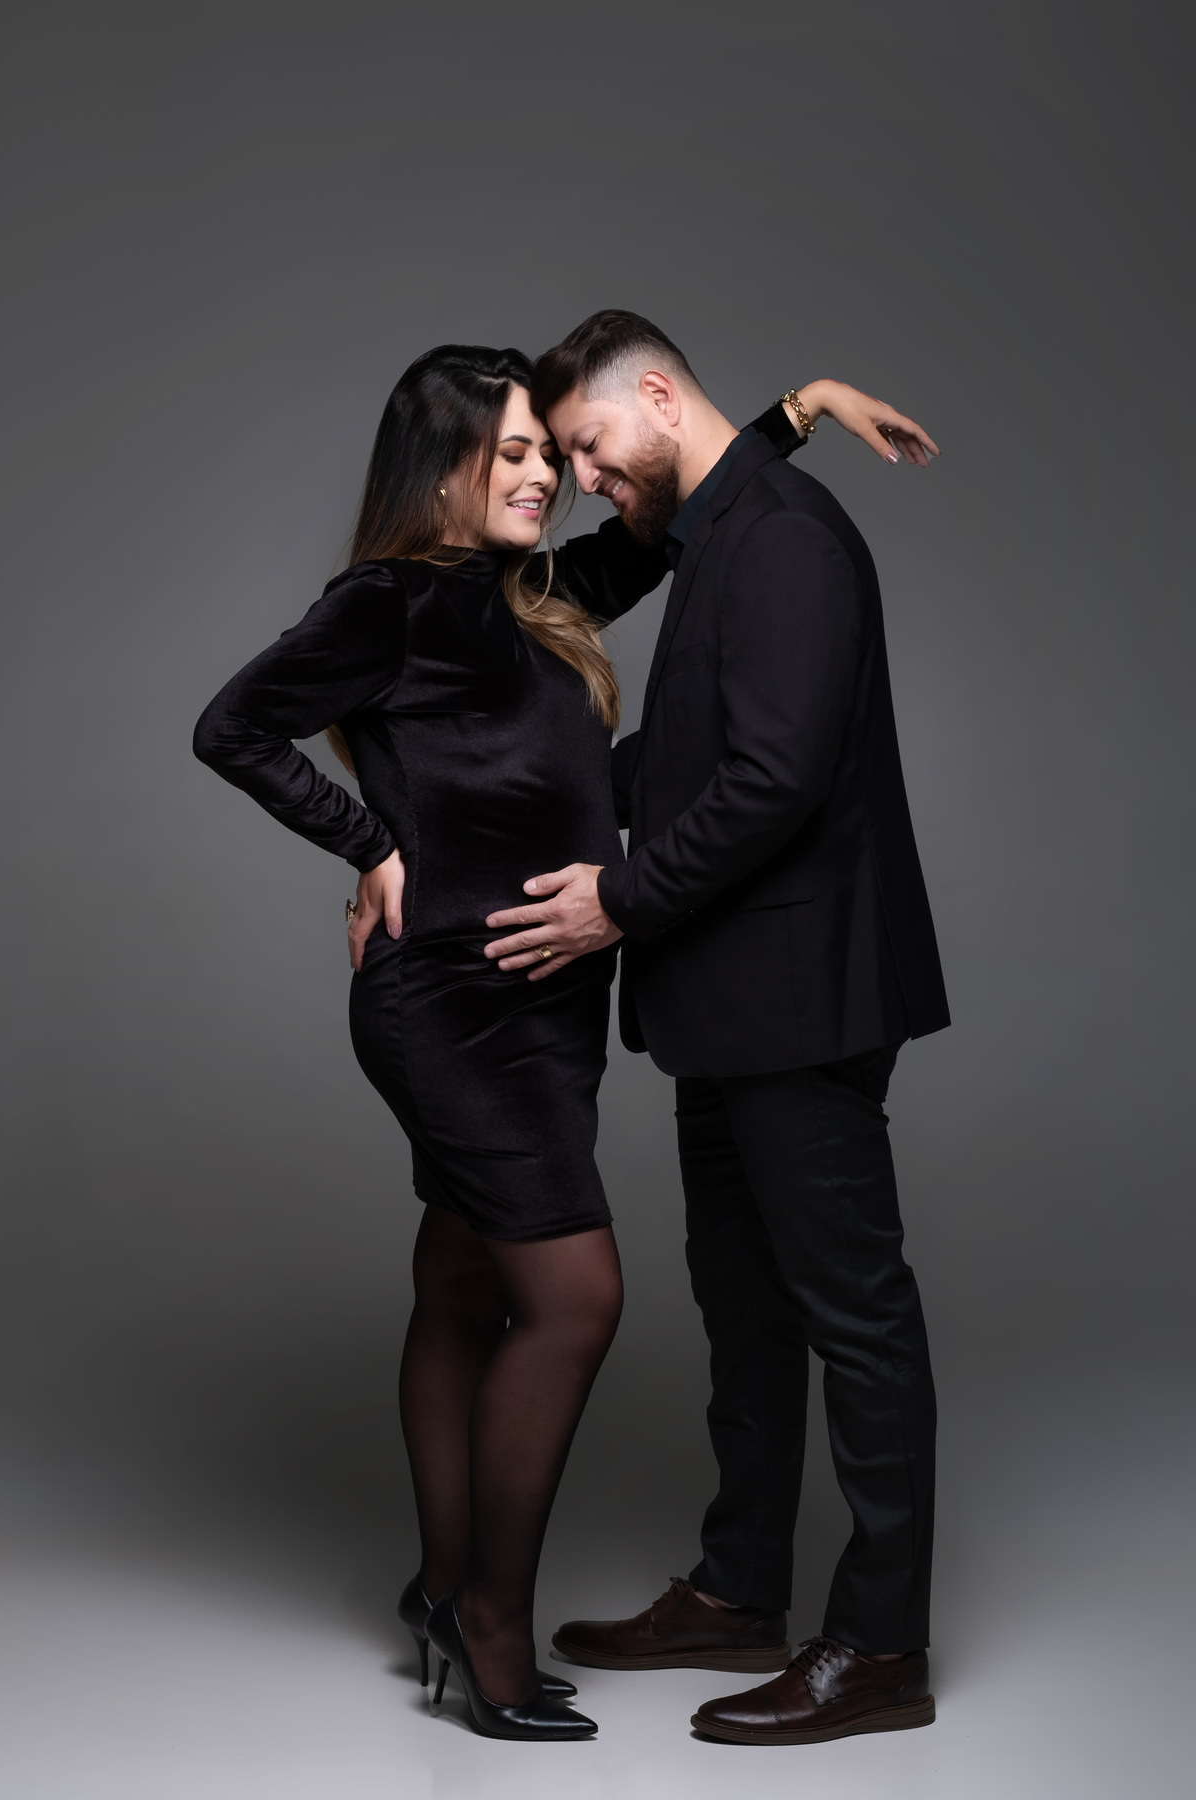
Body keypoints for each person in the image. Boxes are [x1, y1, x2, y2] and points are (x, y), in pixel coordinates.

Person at [193, 340, 935, 1742]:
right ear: (441, 470)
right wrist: (370, 846)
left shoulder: (531, 597)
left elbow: (677, 502)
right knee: (575, 1299)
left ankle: (441, 1585)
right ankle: (490, 1625)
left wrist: (801, 410)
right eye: (520, 454)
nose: (554, 478)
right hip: (456, 1000)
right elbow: (232, 726)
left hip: (550, 1003)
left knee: (463, 1282)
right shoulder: (388, 602)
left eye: (556, 451)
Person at [484, 310, 947, 1747]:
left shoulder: (786, 542)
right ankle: (741, 1590)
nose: (581, 479)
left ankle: (880, 1648)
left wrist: (615, 903)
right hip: (728, 1003)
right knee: (747, 1314)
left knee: (854, 1315)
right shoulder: (719, 527)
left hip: (801, 999)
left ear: (658, 397)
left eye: (588, 446)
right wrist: (492, 814)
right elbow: (688, 754)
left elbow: (775, 780)